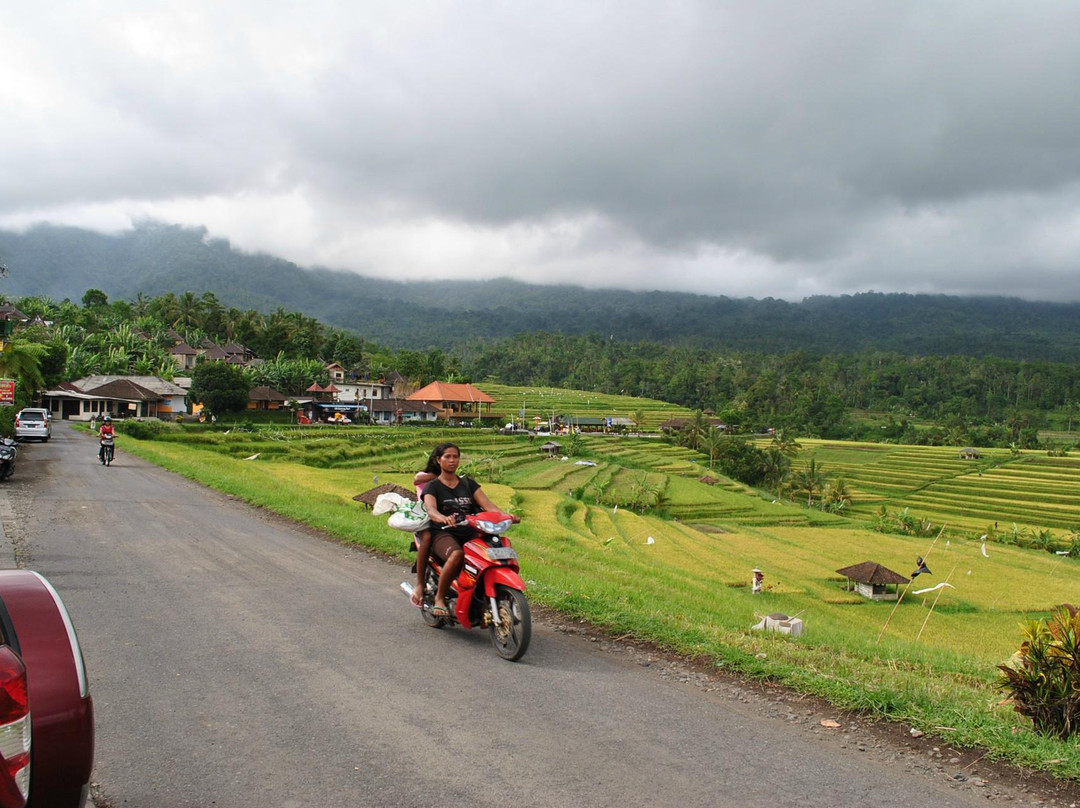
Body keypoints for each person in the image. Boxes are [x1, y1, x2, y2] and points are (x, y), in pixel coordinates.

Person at [418, 442, 517, 618]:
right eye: (447, 457)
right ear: (438, 460)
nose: (452, 460)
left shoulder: (468, 484)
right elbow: (431, 509)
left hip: (470, 530)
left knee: (492, 553)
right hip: (444, 531)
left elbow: (488, 506)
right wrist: (442, 517)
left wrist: (506, 516)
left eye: (455, 456)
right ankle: (440, 598)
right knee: (456, 555)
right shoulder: (432, 486)